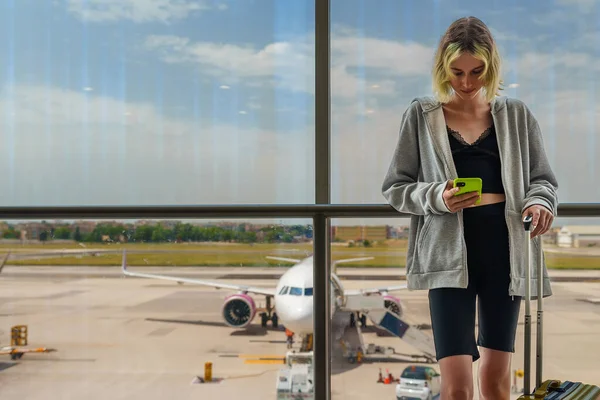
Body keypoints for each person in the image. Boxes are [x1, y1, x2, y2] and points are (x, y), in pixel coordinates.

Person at [381, 16, 558, 400]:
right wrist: (437, 197)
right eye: (457, 72)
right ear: (442, 69)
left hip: (506, 254)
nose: (466, 82)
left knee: (496, 382)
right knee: (457, 387)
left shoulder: (516, 115)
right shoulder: (422, 116)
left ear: (491, 67)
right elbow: (396, 188)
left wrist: (540, 202)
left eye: (477, 71)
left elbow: (543, 180)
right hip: (447, 259)